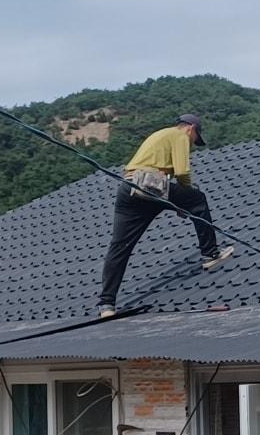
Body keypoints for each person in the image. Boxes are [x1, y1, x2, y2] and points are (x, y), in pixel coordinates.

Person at [97, 114, 233, 317]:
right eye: (194, 139)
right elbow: (182, 172)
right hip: (149, 184)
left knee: (120, 246)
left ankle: (106, 304)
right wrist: (187, 194)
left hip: (129, 188)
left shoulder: (160, 135)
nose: (192, 144)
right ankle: (211, 253)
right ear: (190, 128)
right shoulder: (179, 135)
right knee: (198, 199)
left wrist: (180, 203)